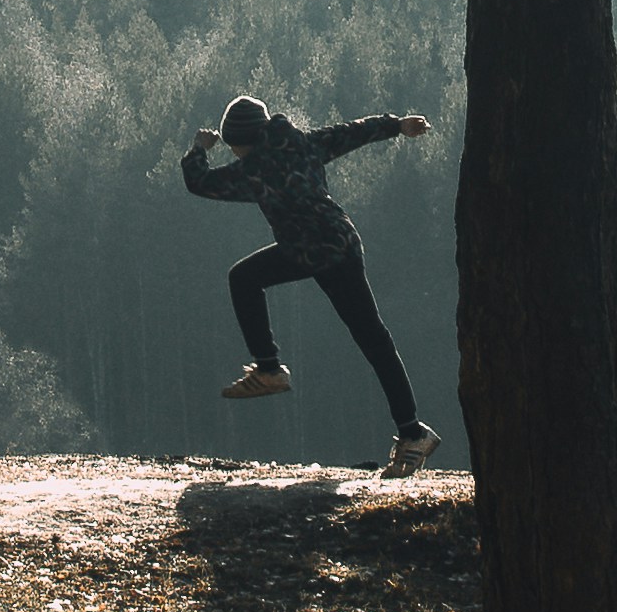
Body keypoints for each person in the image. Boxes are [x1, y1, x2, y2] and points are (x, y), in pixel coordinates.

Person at [182, 93, 443, 475]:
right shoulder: (302, 143)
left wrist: (198, 149)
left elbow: (200, 183)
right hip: (340, 243)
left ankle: (270, 369)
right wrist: (397, 124)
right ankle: (412, 432)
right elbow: (352, 132)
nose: (235, 154)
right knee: (373, 338)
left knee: (243, 278)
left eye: (235, 146)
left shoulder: (254, 170)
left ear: (244, 141)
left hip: (314, 251)